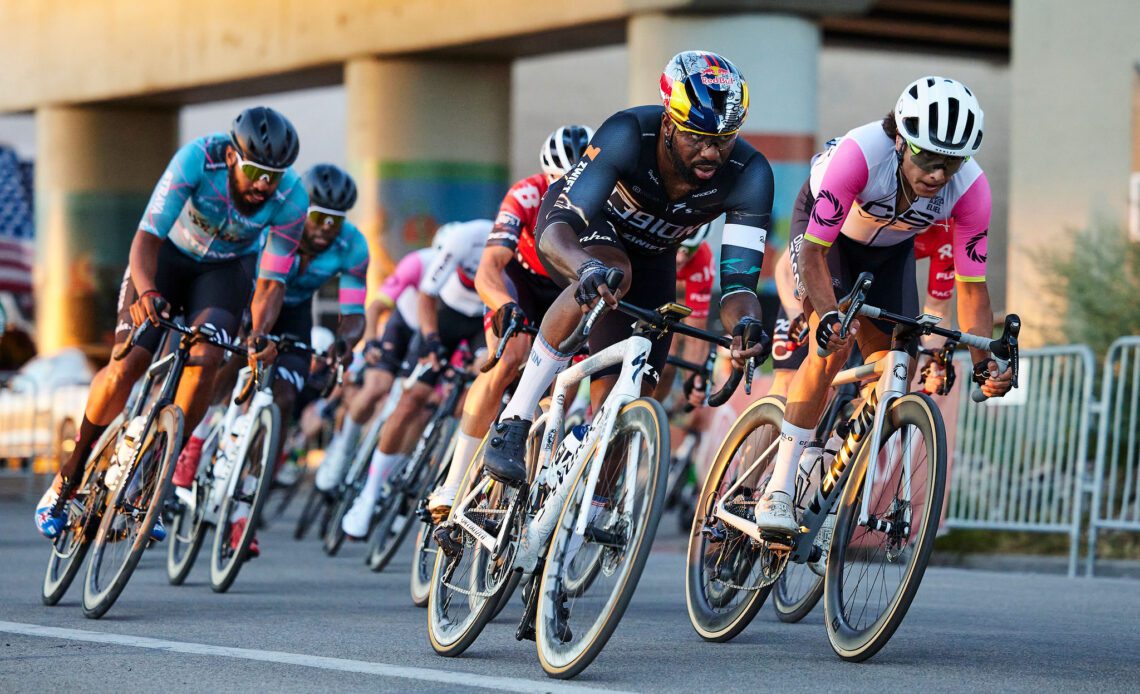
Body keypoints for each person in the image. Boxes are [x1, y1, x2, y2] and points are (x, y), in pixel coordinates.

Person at [478, 50, 774, 488]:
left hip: (654, 256)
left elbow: (736, 288)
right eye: (698, 136)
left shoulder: (750, 174)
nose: (712, 151)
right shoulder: (629, 133)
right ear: (670, 123)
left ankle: (583, 513)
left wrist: (747, 326)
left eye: (725, 138)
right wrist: (585, 268)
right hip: (583, 225)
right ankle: (516, 418)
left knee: (628, 399)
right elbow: (557, 229)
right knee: (614, 270)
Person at [755, 76, 1013, 535]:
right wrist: (829, 316)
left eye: (950, 163)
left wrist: (982, 361)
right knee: (832, 340)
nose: (937, 174)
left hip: (890, 252)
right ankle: (777, 487)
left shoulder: (972, 190)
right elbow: (814, 252)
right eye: (927, 158)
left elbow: (971, 288)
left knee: (899, 362)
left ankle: (832, 472)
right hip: (824, 240)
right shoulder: (861, 154)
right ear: (900, 140)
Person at [35, 107, 306, 539]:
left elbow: (272, 283)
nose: (263, 184)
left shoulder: (292, 200)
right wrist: (146, 293)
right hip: (166, 260)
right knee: (127, 364)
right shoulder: (197, 159)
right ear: (234, 157)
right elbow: (146, 238)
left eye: (273, 176)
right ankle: (67, 478)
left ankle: (152, 485)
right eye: (256, 171)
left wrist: (258, 334)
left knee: (208, 360)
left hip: (223, 272)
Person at [172, 164, 369, 556]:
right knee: (228, 366)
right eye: (318, 216)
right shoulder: (276, 226)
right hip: (249, 294)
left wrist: (344, 344)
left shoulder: (353, 246)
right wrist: (250, 330)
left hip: (294, 313)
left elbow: (354, 313)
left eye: (336, 220)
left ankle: (242, 509)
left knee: (281, 399)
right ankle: (194, 443)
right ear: (303, 210)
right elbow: (258, 280)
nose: (326, 228)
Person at [420, 125, 594, 521]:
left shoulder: (613, 196)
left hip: (571, 286)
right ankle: (453, 480)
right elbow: (489, 269)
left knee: (559, 394)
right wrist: (503, 307)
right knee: (509, 357)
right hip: (522, 282)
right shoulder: (526, 194)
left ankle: (531, 492)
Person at [339, 219, 492, 538]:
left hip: (483, 318)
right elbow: (425, 296)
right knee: (411, 400)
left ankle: (424, 470)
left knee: (480, 383)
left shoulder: (519, 254)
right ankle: (370, 493)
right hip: (445, 316)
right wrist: (432, 340)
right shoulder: (461, 241)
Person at [312, 224, 451, 493]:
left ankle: (391, 475)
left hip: (432, 334)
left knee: (420, 408)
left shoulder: (468, 276)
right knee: (377, 385)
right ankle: (343, 447)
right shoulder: (417, 263)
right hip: (403, 326)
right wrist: (373, 341)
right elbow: (376, 307)